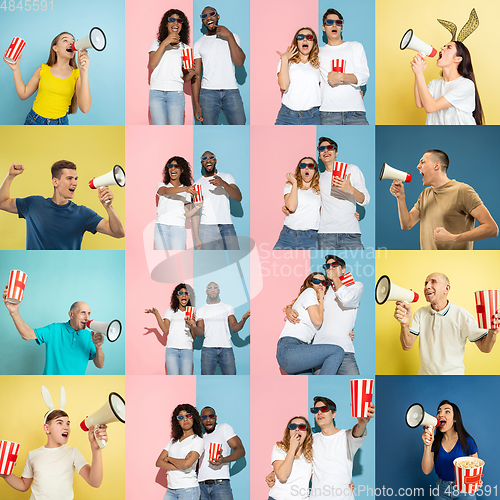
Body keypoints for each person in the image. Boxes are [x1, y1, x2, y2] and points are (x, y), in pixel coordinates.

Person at [267, 396, 375, 500]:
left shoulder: (346, 436)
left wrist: (362, 423)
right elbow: (296, 460)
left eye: (324, 409)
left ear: (334, 414)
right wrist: (274, 473)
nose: (319, 412)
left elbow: (357, 433)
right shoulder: (311, 440)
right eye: (315, 410)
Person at [0, 161, 125, 250]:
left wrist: (108, 207)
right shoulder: (33, 204)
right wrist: (10, 176)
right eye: (69, 178)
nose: (74, 183)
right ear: (55, 181)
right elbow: (2, 202)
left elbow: (118, 233)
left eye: (76, 178)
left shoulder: (83, 214)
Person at [389, 149, 498, 250]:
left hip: (456, 262)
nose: (418, 166)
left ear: (436, 166)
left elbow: (492, 228)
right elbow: (406, 224)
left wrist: (453, 238)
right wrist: (401, 197)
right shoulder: (425, 194)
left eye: (422, 162)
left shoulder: (462, 190)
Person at [395, 272, 499, 375]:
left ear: (447, 288)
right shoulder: (420, 314)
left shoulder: (462, 315)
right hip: (425, 379)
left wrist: (492, 331)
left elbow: (485, 348)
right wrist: (404, 324)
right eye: (425, 283)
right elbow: (407, 346)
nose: (427, 286)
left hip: (454, 380)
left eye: (433, 282)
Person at [0, 405, 108, 496]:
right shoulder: (33, 455)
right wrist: (5, 475)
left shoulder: (73, 453)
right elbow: (23, 485)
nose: (66, 427)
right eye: (59, 423)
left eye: (68, 423)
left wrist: (96, 449)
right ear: (47, 428)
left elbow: (95, 482)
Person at [286, 256, 363, 375]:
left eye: (334, 265)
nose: (330, 268)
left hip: (345, 350)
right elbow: (305, 303)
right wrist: (289, 309)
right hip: (320, 350)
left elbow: (347, 300)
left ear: (343, 269)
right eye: (327, 266)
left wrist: (336, 278)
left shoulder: (355, 286)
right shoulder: (324, 290)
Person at [2, 292, 105, 375]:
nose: (87, 317)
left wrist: (98, 347)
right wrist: (14, 312)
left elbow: (100, 365)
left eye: (89, 313)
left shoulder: (89, 336)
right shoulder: (55, 329)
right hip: (50, 385)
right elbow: (27, 335)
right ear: (71, 314)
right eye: (82, 312)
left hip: (76, 388)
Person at [5, 32, 91, 125]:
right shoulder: (42, 69)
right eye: (65, 40)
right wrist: (15, 69)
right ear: (55, 48)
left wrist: (84, 71)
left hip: (60, 124)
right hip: (34, 120)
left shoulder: (77, 74)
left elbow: (85, 109)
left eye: (73, 41)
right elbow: (23, 94)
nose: (71, 43)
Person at [277, 273, 345, 375]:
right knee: (337, 351)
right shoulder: (310, 292)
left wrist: (346, 332)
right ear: (310, 283)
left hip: (299, 351)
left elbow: (324, 324)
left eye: (324, 282)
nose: (320, 284)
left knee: (307, 386)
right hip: (290, 348)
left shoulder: (316, 306)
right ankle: (323, 384)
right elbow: (317, 321)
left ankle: (321, 389)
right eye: (316, 281)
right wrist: (321, 299)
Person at [192, 7, 246, 125]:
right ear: (202, 21)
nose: (208, 18)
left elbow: (239, 62)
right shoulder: (198, 44)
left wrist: (229, 36)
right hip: (208, 94)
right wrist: (196, 104)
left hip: (231, 91)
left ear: (218, 16)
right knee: (207, 131)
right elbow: (196, 75)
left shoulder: (233, 36)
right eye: (204, 16)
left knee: (240, 128)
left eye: (211, 14)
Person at [412, 42, 483, 125]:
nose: (442, 48)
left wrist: (420, 74)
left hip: (461, 136)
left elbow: (430, 107)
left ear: (457, 59)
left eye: (449, 47)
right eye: (444, 46)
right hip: (440, 136)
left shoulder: (466, 85)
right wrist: (417, 73)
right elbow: (420, 103)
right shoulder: (434, 83)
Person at [317, 137, 369, 250]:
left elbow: (365, 200)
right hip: (326, 235)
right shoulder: (318, 178)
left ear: (336, 153)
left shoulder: (351, 170)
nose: (326, 150)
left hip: (350, 233)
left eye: (330, 147)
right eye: (322, 149)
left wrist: (351, 190)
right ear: (320, 155)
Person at [319, 9, 370, 125]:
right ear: (323, 27)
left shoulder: (355, 47)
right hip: (328, 112)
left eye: (338, 22)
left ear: (341, 27)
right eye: (330, 22)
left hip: (356, 111)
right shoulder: (317, 52)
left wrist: (341, 77)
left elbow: (364, 76)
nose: (334, 25)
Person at [422, 400, 479, 499]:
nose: (440, 415)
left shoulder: (467, 441)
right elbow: (426, 470)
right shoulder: (435, 443)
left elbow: (475, 470)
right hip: (441, 490)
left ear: (455, 419)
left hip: (464, 489)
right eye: (439, 412)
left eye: (447, 411)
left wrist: (476, 480)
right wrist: (427, 446)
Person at [148, 9, 196, 125]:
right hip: (156, 92)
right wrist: (165, 42)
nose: (176, 23)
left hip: (176, 93)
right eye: (172, 20)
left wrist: (191, 72)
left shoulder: (186, 49)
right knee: (158, 130)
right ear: (166, 23)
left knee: (176, 129)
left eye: (179, 21)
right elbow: (152, 64)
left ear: (182, 25)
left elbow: (185, 79)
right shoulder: (157, 43)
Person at [195, 282, 250, 375]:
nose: (212, 289)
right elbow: (200, 333)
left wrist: (244, 318)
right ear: (206, 292)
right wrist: (192, 325)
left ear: (219, 291)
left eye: (215, 287)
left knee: (231, 379)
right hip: (208, 349)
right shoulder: (200, 310)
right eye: (210, 288)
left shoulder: (228, 307)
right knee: (207, 381)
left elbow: (234, 328)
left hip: (226, 349)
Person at [193, 152, 242, 250]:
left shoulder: (227, 177)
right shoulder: (197, 184)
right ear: (202, 163)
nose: (208, 160)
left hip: (226, 225)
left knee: (235, 258)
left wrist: (223, 183)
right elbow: (196, 212)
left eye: (211, 157)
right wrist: (196, 237)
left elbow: (238, 197)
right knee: (208, 262)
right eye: (204, 158)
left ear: (215, 161)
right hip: (206, 227)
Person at [145, 283, 197, 375]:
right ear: (177, 296)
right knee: (173, 380)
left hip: (187, 349)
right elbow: (165, 329)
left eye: (186, 293)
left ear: (189, 296)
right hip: (172, 350)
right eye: (181, 293)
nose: (184, 295)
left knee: (187, 380)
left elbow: (193, 336)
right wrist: (156, 313)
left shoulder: (191, 312)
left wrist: (193, 324)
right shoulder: (170, 311)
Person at [156, 404, 205, 500]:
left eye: (188, 416)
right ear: (177, 421)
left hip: (188, 489)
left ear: (193, 418)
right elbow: (158, 462)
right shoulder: (173, 441)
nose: (185, 419)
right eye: (181, 417)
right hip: (171, 489)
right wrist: (180, 464)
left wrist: (169, 459)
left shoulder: (198, 441)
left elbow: (187, 464)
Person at [275, 27, 321, 125]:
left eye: (309, 37)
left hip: (312, 116)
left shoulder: (319, 62)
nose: (305, 40)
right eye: (300, 37)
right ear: (296, 42)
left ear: (314, 42)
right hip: (287, 115)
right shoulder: (286, 60)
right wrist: (284, 59)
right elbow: (283, 86)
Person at [198, 406, 246, 500]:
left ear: (216, 417)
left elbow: (240, 450)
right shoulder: (200, 437)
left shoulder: (224, 428)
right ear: (201, 420)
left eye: (211, 416)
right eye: (204, 417)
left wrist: (223, 459)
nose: (208, 420)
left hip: (220, 484)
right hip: (201, 486)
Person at [154, 157, 202, 250]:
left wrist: (196, 208)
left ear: (182, 170)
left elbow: (185, 214)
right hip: (161, 227)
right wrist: (185, 189)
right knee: (161, 259)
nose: (173, 168)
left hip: (178, 228)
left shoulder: (187, 191)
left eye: (176, 166)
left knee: (177, 259)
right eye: (170, 166)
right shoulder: (162, 185)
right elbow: (166, 191)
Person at [273, 157, 321, 250]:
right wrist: (294, 183)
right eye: (303, 166)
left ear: (315, 170)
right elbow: (291, 207)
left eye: (310, 166)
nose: (306, 168)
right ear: (299, 170)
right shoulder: (290, 185)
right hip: (288, 234)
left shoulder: (320, 188)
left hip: (311, 237)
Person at [268, 416, 313, 500]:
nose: (297, 429)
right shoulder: (279, 448)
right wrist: (292, 448)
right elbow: (282, 476)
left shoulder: (310, 453)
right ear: (288, 432)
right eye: (293, 427)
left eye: (302, 427)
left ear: (307, 432)